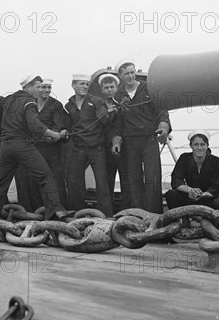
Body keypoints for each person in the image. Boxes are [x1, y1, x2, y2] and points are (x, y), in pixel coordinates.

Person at [0, 74, 74, 221]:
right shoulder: (29, 102)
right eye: (37, 87)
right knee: (46, 176)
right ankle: (56, 210)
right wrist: (54, 134)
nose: (39, 91)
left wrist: (0, 127)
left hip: (5, 146)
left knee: (1, 183)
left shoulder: (8, 99)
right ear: (28, 87)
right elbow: (35, 125)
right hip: (22, 145)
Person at [115, 58, 171, 214]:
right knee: (133, 178)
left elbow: (162, 113)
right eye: (126, 73)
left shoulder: (149, 89)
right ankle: (136, 214)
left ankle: (155, 214)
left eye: (132, 72)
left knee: (153, 176)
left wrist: (163, 129)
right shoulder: (118, 95)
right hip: (130, 141)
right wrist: (117, 141)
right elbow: (117, 124)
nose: (131, 76)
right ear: (120, 75)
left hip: (149, 139)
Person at [65, 74, 121, 217]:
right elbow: (68, 124)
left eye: (86, 84)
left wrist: (107, 114)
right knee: (73, 181)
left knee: (101, 182)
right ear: (73, 85)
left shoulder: (97, 101)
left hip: (97, 148)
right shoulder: (68, 105)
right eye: (81, 84)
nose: (84, 87)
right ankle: (76, 213)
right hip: (78, 148)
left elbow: (105, 120)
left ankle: (106, 215)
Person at [15, 77, 69, 211]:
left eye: (48, 87)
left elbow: (58, 125)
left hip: (50, 148)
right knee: (30, 179)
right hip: (31, 147)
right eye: (43, 87)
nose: (46, 90)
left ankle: (58, 210)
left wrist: (53, 134)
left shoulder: (56, 105)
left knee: (54, 178)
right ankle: (31, 211)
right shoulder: (28, 103)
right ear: (37, 88)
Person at [165, 130, 219, 210]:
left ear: (207, 145)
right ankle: (181, 220)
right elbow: (176, 180)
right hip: (189, 195)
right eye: (196, 144)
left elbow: (217, 188)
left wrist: (202, 194)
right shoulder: (184, 158)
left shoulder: (215, 161)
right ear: (191, 146)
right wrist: (190, 190)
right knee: (171, 194)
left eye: (202, 144)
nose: (199, 148)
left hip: (207, 197)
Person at [98, 73, 125, 213]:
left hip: (123, 147)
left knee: (126, 179)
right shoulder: (99, 106)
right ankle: (108, 212)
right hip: (105, 148)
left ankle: (126, 210)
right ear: (102, 90)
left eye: (112, 87)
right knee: (107, 180)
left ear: (116, 88)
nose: (109, 90)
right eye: (106, 87)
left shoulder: (122, 104)